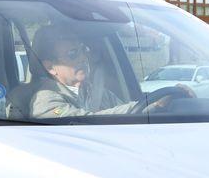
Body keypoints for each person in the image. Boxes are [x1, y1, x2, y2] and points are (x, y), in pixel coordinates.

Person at [29, 25, 186, 119]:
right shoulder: (44, 100)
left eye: (84, 50)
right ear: (50, 67)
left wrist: (162, 103)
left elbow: (133, 114)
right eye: (73, 54)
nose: (83, 57)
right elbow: (83, 122)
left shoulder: (98, 92)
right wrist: (154, 104)